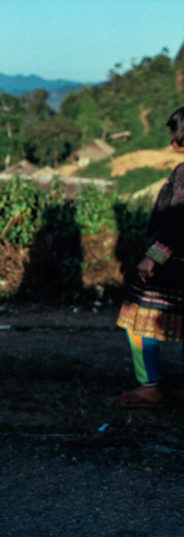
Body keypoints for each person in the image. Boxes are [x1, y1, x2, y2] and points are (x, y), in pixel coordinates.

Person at [115, 105, 184, 408]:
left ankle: (150, 386)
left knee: (137, 318)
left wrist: (153, 257)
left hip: (175, 264)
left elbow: (178, 220)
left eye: (174, 130)